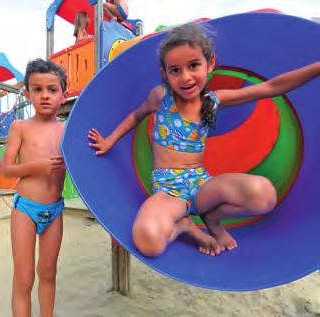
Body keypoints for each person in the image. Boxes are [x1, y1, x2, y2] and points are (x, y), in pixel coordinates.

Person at [88, 23, 320, 257]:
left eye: (193, 65)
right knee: (148, 241)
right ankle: (184, 227)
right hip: (169, 192)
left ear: (209, 64)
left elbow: (272, 87)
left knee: (265, 195)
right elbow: (135, 116)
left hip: (201, 185)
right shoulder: (161, 97)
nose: (185, 77)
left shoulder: (212, 101)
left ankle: (213, 218)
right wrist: (110, 140)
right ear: (165, 74)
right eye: (175, 70)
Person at [2, 58, 67, 316]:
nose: (44, 96)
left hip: (55, 211)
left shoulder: (66, 131)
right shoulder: (20, 128)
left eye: (52, 90)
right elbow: (6, 170)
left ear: (63, 94)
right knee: (24, 277)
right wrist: (36, 167)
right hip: (25, 210)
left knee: (48, 272)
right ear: (27, 93)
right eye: (37, 89)